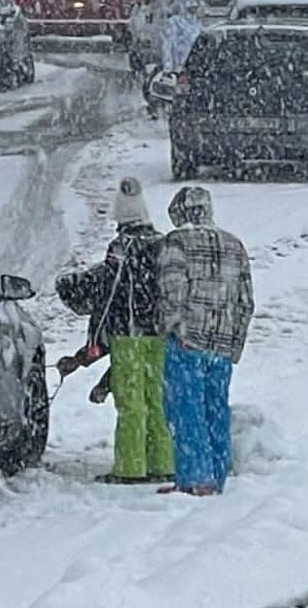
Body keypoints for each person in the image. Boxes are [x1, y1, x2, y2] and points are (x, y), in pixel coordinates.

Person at [56, 178, 176, 484]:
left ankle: (130, 467)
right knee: (157, 399)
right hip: (160, 335)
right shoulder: (163, 244)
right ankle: (163, 463)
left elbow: (108, 297)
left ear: (120, 220)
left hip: (129, 335)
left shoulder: (122, 248)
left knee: (131, 402)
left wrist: (93, 344)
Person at [156, 186, 254, 496]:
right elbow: (245, 301)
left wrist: (176, 328)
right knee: (216, 408)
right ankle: (217, 472)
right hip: (222, 344)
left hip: (189, 341)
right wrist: (234, 344)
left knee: (186, 410)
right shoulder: (235, 245)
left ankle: (196, 479)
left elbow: (173, 290)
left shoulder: (177, 242)